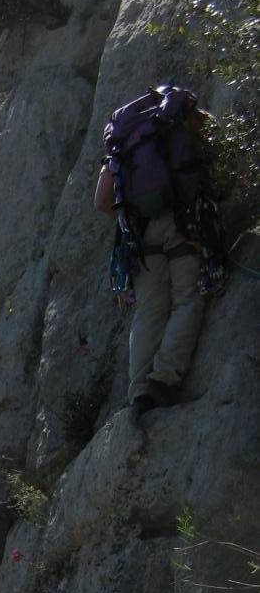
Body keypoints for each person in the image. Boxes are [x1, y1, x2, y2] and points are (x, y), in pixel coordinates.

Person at [95, 88, 218, 424]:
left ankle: (138, 395)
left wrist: (135, 214)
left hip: (142, 236)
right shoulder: (177, 125)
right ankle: (163, 380)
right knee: (187, 299)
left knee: (148, 312)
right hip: (182, 224)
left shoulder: (122, 147)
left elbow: (102, 203)